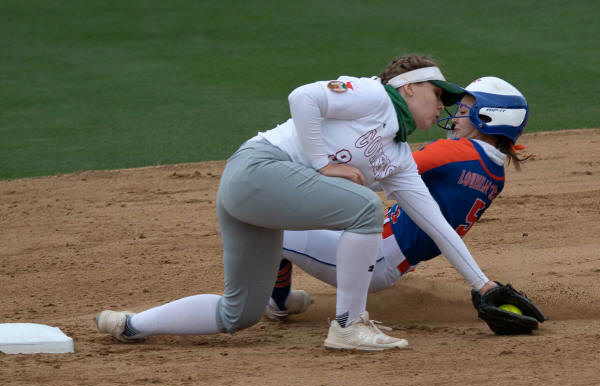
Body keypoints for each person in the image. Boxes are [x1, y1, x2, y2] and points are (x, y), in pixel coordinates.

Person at [96, 54, 490, 352]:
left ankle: (131, 324)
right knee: (366, 208)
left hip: (260, 198)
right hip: (256, 170)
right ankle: (349, 325)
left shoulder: (398, 158)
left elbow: (436, 224)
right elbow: (302, 97)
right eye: (438, 95)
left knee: (238, 313)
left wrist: (483, 285)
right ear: (409, 88)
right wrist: (322, 164)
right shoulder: (373, 95)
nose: (443, 106)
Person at [263, 76, 531, 321]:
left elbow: (384, 171)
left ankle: (278, 302)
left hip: (374, 257)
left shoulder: (456, 152)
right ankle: (282, 298)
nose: (455, 119)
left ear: (488, 118)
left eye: (463, 112)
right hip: (388, 260)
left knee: (269, 221)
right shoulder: (494, 174)